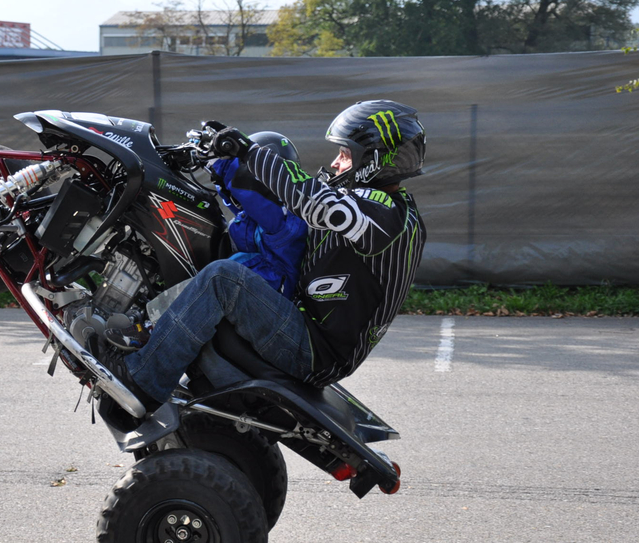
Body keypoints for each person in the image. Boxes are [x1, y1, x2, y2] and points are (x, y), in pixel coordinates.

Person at [96, 100, 427, 411]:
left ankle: (142, 380)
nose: (335, 163)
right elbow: (289, 206)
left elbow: (312, 199)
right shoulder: (375, 208)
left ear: (375, 158)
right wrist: (217, 163)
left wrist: (247, 151)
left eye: (344, 154)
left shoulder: (387, 219)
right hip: (308, 326)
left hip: (315, 351)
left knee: (223, 279)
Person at [105, 132, 309, 351]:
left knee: (217, 275)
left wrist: (224, 163)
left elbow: (252, 197)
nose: (247, 173)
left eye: (251, 168)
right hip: (253, 281)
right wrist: (214, 168)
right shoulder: (260, 215)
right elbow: (239, 199)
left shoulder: (289, 218)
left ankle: (154, 327)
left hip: (269, 295)